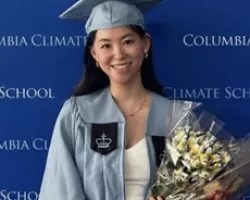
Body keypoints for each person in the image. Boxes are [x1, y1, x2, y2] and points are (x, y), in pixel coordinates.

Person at [38, 0, 226, 199]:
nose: (118, 54)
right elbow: (59, 191)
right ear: (94, 53)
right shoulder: (77, 114)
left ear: (145, 44)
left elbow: (198, 188)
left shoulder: (176, 116)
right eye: (106, 45)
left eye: (128, 41)